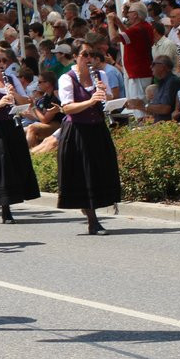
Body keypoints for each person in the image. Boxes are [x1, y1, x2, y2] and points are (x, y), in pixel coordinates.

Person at [57, 42, 121, 235]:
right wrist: (91, 100)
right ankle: (93, 221)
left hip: (97, 129)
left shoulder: (100, 75)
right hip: (77, 131)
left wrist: (105, 96)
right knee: (84, 175)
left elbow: (108, 101)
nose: (89, 59)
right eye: (84, 55)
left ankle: (92, 214)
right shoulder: (66, 78)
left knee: (99, 171)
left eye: (92, 55)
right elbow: (67, 108)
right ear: (76, 56)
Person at [0, 46, 40, 223]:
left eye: (4, 60)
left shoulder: (11, 80)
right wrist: (0, 103)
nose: (2, 64)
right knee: (2, 167)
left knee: (16, 163)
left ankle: (16, 198)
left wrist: (14, 94)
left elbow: (25, 102)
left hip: (13, 126)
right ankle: (5, 208)